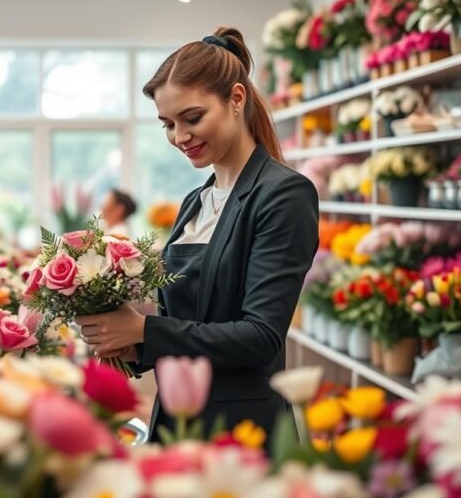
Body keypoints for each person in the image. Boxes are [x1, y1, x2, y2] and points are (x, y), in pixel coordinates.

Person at [76, 27, 319, 443]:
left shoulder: (283, 194)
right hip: (175, 420)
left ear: (236, 99)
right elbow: (189, 322)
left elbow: (260, 337)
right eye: (167, 124)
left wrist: (143, 331)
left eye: (192, 118)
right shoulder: (195, 201)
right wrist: (128, 344)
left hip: (240, 433)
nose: (178, 137)